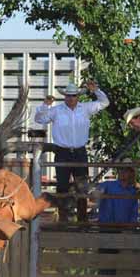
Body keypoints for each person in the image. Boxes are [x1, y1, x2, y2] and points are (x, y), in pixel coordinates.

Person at [34, 81, 109, 222]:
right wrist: (45, 105)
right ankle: (64, 218)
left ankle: (82, 218)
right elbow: (38, 119)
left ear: (77, 97)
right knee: (62, 185)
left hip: (79, 151)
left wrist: (96, 90)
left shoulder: (85, 108)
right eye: (68, 96)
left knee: (82, 187)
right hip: (62, 151)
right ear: (65, 97)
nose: (71, 98)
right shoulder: (56, 110)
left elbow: (105, 102)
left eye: (73, 95)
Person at [96, 163, 139, 276]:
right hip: (107, 228)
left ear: (131, 173)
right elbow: (96, 192)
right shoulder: (108, 185)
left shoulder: (132, 191)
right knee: (106, 260)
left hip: (123, 230)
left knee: (119, 262)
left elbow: (134, 211)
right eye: (122, 170)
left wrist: (131, 227)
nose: (123, 172)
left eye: (126, 170)